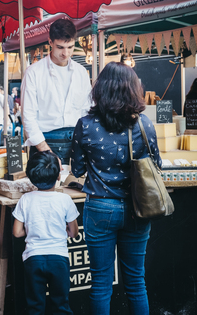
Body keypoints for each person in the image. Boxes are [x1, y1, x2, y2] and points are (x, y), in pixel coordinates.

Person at [71, 61, 162, 315]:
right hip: (138, 208)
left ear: (101, 89)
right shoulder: (144, 124)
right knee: (135, 281)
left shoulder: (86, 125)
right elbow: (157, 164)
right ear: (133, 89)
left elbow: (76, 170)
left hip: (100, 208)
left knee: (100, 283)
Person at [12, 150, 79, 314]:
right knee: (61, 305)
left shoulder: (25, 199)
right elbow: (74, 233)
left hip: (33, 260)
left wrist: (33, 229)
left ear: (31, 177)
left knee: (35, 306)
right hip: (59, 259)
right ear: (58, 177)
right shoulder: (65, 200)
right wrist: (62, 228)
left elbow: (17, 232)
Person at [21, 18, 92, 164]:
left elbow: (87, 111)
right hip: (45, 142)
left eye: (70, 47)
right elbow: (28, 117)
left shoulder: (81, 72)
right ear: (50, 42)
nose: (66, 53)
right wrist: (46, 151)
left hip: (77, 142)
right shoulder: (33, 72)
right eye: (60, 47)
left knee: (75, 186)